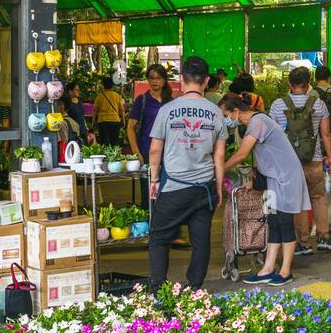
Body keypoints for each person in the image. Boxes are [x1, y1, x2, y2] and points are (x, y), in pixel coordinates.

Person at [146, 57, 225, 291]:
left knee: (159, 238)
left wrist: (154, 179)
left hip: (175, 188)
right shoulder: (215, 112)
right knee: (200, 240)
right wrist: (218, 187)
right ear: (207, 80)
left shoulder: (167, 110)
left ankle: (159, 288)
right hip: (204, 188)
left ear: (181, 79)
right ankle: (195, 288)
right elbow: (218, 157)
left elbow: (154, 149)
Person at [220, 91, 311, 286]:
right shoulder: (253, 123)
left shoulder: (257, 122)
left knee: (285, 221)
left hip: (286, 177)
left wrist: (219, 170)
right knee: (273, 221)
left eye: (226, 116)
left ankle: (285, 270)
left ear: (235, 111)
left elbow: (241, 155)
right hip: (273, 179)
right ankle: (268, 268)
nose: (226, 121)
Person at [269, 67, 331, 255]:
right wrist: (330, 156)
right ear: (309, 84)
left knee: (298, 202)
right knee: (319, 198)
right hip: (314, 159)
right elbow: (326, 133)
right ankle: (324, 238)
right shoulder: (319, 104)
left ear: (289, 84)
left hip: (289, 163)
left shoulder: (277, 105)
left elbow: (272, 136)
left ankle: (304, 243)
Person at [127, 63, 173, 166]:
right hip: (146, 151)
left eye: (158, 78)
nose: (155, 81)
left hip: (169, 153)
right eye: (151, 78)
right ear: (147, 79)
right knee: (148, 182)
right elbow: (130, 128)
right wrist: (136, 152)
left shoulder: (171, 102)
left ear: (164, 80)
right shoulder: (141, 100)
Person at [93, 76, 125, 146]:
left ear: (103, 85)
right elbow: (122, 110)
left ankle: (104, 156)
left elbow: (95, 110)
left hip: (102, 122)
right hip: (115, 121)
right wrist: (123, 121)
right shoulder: (117, 96)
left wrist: (93, 123)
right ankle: (114, 155)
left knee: (104, 143)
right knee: (114, 143)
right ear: (112, 85)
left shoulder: (99, 96)